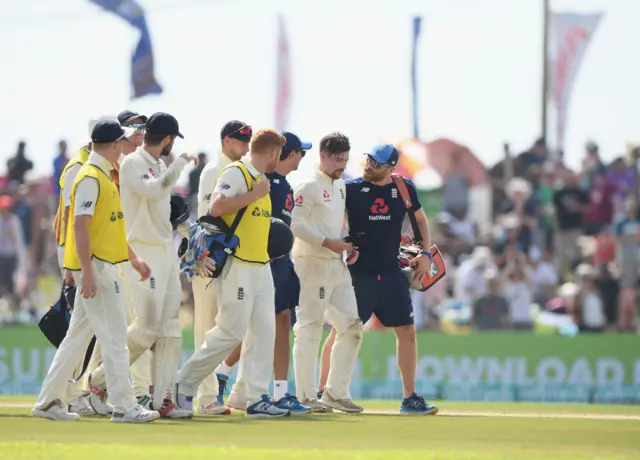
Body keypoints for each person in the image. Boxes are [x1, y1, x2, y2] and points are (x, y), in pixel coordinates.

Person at [33, 120, 159, 423]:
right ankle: (125, 406)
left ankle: (48, 402)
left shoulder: (101, 174)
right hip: (98, 270)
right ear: (115, 145)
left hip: (101, 266)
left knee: (76, 338)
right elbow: (79, 226)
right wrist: (87, 273)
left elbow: (109, 228)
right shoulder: (91, 177)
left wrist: (133, 260)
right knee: (115, 338)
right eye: (122, 143)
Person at [175, 128, 291, 418]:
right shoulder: (236, 173)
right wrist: (254, 195)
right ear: (274, 152)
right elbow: (216, 207)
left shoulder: (261, 179)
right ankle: (182, 383)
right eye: (280, 153)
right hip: (238, 263)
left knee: (265, 331)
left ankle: (255, 396)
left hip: (260, 264)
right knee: (230, 332)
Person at [87, 113, 197, 419]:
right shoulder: (134, 163)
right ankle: (97, 382)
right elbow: (153, 191)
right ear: (166, 139)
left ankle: (162, 400)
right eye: (171, 141)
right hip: (142, 253)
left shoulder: (159, 165)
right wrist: (179, 166)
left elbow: (161, 197)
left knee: (171, 328)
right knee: (147, 327)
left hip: (165, 251)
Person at [318, 144, 438, 414]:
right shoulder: (350, 188)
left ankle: (410, 398)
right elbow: (328, 220)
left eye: (378, 163)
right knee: (340, 331)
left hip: (392, 272)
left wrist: (426, 253)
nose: (371, 165)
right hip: (359, 274)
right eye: (370, 159)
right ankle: (320, 392)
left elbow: (420, 219)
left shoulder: (404, 188)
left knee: (407, 331)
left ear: (391, 167)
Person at [224, 132, 312, 414]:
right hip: (265, 261)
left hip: (280, 261)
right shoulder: (265, 182)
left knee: (272, 324)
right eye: (301, 153)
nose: (302, 159)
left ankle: (245, 387)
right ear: (289, 153)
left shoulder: (283, 184)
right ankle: (230, 377)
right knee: (261, 326)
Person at [290, 132, 364, 413]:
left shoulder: (341, 186)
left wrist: (346, 244)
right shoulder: (307, 185)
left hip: (336, 263)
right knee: (309, 328)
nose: (341, 164)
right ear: (322, 156)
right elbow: (294, 224)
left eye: (345, 159)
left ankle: (335, 393)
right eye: (336, 159)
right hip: (311, 263)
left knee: (352, 327)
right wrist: (326, 242)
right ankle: (306, 396)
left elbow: (334, 224)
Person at [190, 120, 252, 415]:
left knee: (227, 326)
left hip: (229, 258)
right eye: (241, 140)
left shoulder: (239, 170)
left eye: (248, 140)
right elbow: (207, 218)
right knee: (206, 328)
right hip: (210, 258)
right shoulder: (216, 170)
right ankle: (205, 396)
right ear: (226, 141)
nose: (246, 146)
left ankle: (211, 391)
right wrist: (202, 257)